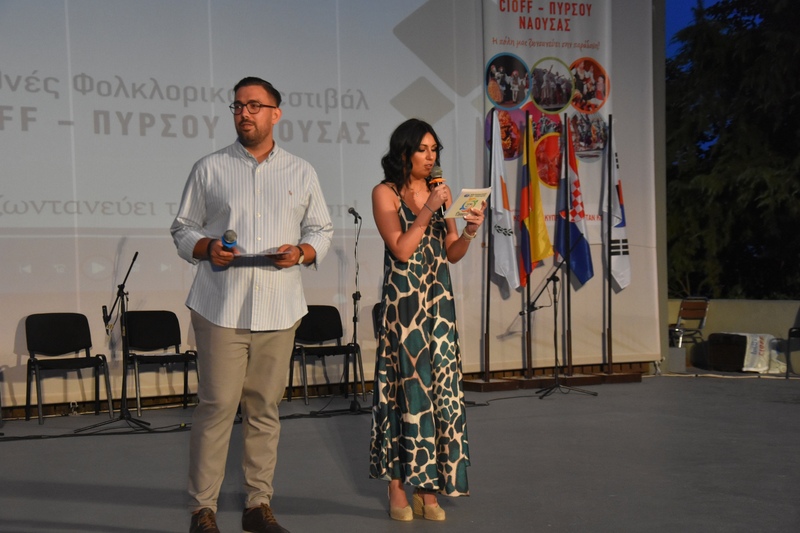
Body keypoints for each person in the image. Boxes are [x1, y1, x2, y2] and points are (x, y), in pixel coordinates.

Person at [170, 76, 333, 533]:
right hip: (222, 305)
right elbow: (182, 227)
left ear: (275, 114)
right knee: (217, 406)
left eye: (255, 105)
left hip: (279, 308)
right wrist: (206, 247)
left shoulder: (301, 171)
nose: (245, 113)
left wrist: (301, 252)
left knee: (264, 408)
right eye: (238, 106)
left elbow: (321, 230)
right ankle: (203, 510)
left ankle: (257, 506)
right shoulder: (210, 168)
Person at [368, 118, 485, 522]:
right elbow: (401, 249)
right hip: (405, 308)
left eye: (435, 149)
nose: (431, 156)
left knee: (440, 392)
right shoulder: (385, 193)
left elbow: (451, 252)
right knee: (405, 393)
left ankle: (428, 489)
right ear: (404, 152)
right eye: (423, 149)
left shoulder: (440, 191)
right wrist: (429, 209)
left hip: (438, 304)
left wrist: (468, 231)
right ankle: (397, 487)